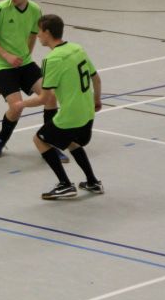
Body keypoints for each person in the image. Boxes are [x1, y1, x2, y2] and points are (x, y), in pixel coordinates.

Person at [15, 14, 104, 200]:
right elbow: (96, 79)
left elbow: (45, 98)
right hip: (87, 113)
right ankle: (93, 182)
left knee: (39, 140)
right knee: (70, 141)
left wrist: (21, 104)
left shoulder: (52, 60)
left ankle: (65, 184)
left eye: (39, 31)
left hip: (70, 116)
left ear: (47, 32)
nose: (38, 35)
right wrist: (96, 101)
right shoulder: (77, 49)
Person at [0, 0, 68, 163]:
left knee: (50, 97)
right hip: (2, 65)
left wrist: (26, 55)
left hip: (24, 63)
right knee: (16, 107)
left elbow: (33, 34)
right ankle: (1, 140)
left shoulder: (35, 10)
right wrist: (7, 55)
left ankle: (49, 142)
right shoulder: (1, 8)